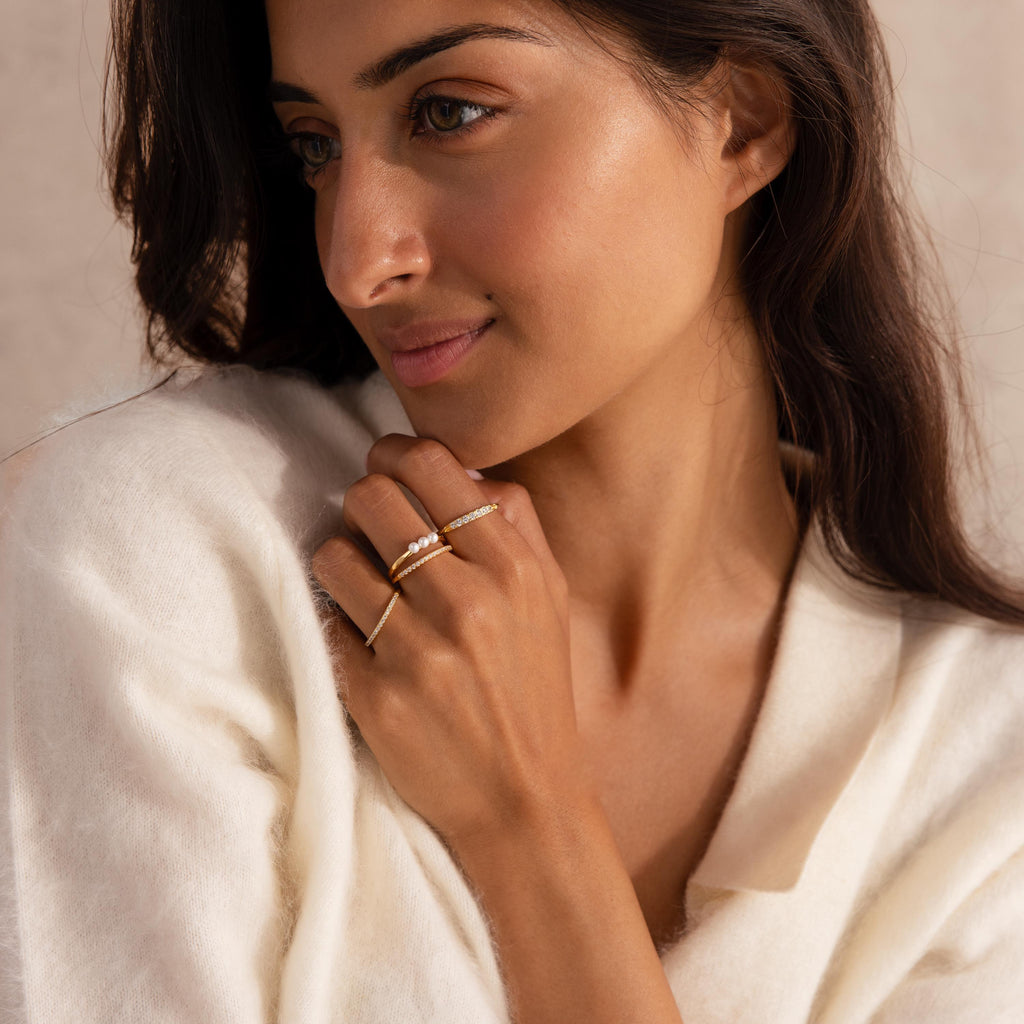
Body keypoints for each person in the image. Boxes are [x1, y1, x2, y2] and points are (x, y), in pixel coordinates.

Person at [2, 0, 1023, 1021]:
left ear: (741, 119)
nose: (359, 259)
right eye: (314, 145)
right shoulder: (165, 559)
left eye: (447, 112)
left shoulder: (990, 778)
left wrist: (532, 834)